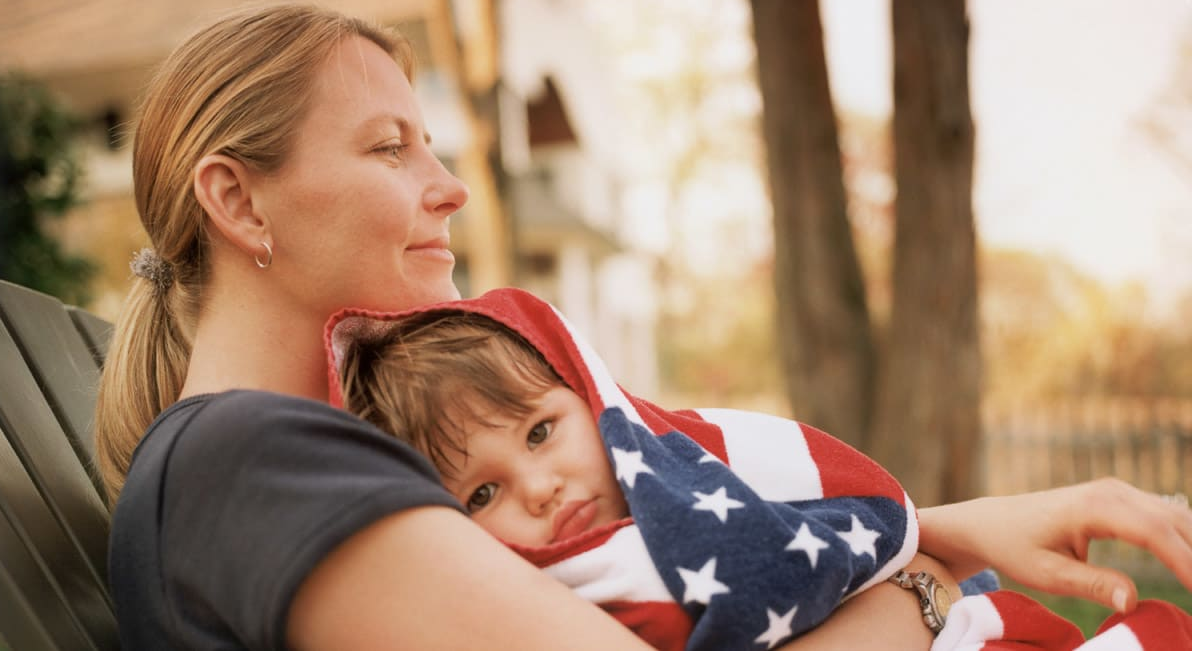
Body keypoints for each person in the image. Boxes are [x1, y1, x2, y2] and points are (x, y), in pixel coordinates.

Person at [93, 2, 1192, 651]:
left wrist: (937, 528)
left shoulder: (297, 465)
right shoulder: (248, 463)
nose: (448, 189)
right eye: (389, 149)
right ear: (237, 202)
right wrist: (912, 594)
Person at [327, 287, 1192, 651]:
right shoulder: (536, 609)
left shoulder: (695, 494)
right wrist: (927, 583)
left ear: (594, 401)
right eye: (482, 493)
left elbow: (820, 542)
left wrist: (932, 556)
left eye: (543, 432)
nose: (539, 486)